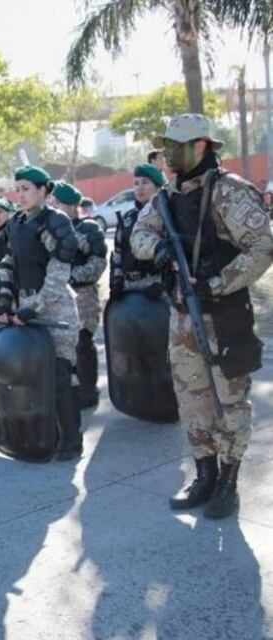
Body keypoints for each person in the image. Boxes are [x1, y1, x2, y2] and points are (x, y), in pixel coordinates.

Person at [131, 114, 273, 519]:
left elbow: (262, 247)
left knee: (231, 401)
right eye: (168, 146)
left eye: (178, 146)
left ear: (202, 147)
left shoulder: (230, 193)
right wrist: (158, 250)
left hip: (225, 314)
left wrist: (215, 283)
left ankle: (229, 481)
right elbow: (139, 235)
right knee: (191, 399)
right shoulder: (166, 197)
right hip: (182, 318)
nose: (170, 154)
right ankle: (204, 474)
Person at [0, 166, 83, 461]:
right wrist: (4, 301)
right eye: (17, 189)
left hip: (54, 308)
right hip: (24, 309)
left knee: (60, 376)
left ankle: (71, 441)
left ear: (44, 191)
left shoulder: (54, 221)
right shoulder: (16, 222)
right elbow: (9, 263)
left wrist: (34, 308)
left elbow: (58, 275)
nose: (19, 195)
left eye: (26, 189)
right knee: (32, 378)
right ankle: (46, 437)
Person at [51, 181, 107, 409]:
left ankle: (88, 390)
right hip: (58, 296)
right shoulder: (51, 228)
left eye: (58, 203)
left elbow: (99, 262)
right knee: (63, 345)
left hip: (83, 293)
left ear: (72, 206)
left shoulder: (89, 228)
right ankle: (70, 389)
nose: (54, 207)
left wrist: (72, 275)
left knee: (83, 343)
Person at [109, 164, 167, 300]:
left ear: (157, 187)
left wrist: (164, 284)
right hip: (129, 288)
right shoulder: (127, 218)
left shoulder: (165, 216)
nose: (139, 187)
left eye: (145, 182)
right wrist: (116, 281)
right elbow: (118, 254)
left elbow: (173, 255)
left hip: (156, 288)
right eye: (136, 183)